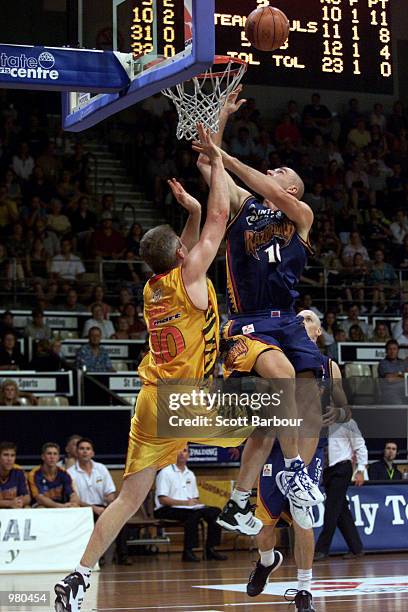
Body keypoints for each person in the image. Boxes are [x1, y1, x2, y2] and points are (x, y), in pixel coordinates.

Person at [54, 125, 251, 612]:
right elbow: (224, 215)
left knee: (127, 497)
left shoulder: (153, 288)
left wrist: (194, 211)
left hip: (149, 401)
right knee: (287, 416)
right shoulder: (188, 278)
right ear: (183, 256)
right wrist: (216, 162)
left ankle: (78, 576)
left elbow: (187, 241)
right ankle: (244, 506)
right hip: (185, 401)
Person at [195, 87, 324, 534]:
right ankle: (294, 472)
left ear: (290, 188)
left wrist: (225, 155)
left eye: (280, 171)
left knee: (281, 412)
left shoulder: (300, 213)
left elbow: (248, 174)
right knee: (284, 379)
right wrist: (221, 127)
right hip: (247, 321)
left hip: (288, 320)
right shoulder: (242, 205)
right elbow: (208, 165)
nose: (272, 171)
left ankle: (237, 502)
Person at [246, 310, 351, 611]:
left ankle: (304, 589)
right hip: (274, 445)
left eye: (308, 319)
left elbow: (344, 407)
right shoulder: (276, 358)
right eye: (298, 319)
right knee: (263, 526)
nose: (302, 322)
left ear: (318, 332)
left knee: (301, 514)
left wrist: (339, 413)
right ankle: (267, 562)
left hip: (308, 446)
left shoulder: (329, 367)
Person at [154, 447, 227, 562]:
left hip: (188, 508)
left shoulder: (190, 474)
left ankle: (210, 549)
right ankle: (188, 551)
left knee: (215, 512)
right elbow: (163, 499)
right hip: (166, 509)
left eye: (184, 451)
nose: (182, 454)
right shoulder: (165, 472)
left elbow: (194, 498)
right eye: (179, 450)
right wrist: (185, 503)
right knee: (193, 515)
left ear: (188, 454)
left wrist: (195, 503)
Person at [68, 438, 130, 565]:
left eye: (88, 449)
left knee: (119, 520)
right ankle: (96, 558)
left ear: (92, 453)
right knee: (96, 521)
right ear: (76, 452)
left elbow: (110, 492)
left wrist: (110, 502)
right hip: (83, 509)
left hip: (103, 507)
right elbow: (76, 499)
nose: (85, 452)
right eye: (82, 449)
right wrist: (94, 509)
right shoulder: (70, 473)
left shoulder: (101, 468)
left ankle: (123, 556)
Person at [314, 418, 367, 561]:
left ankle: (321, 549)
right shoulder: (318, 421)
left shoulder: (347, 422)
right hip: (327, 470)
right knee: (341, 509)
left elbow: (360, 445)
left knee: (332, 508)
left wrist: (361, 470)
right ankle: (356, 548)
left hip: (342, 467)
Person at [28, 442, 79, 508]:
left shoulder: (64, 473)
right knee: (41, 508)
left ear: (58, 457)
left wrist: (73, 502)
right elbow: (39, 498)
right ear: (43, 457)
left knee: (76, 506)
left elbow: (72, 494)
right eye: (49, 454)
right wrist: (59, 506)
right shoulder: (35, 474)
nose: (52, 457)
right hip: (42, 505)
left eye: (55, 454)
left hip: (61, 504)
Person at [0, 441, 31, 508]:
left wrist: (20, 501)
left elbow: (27, 497)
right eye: (5, 455)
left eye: (12, 455)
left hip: (14, 507)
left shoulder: (19, 472)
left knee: (27, 507)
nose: (9, 459)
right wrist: (9, 503)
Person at [378, 340, 408, 404]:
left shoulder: (402, 362)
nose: (392, 352)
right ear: (386, 351)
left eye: (394, 349)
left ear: (398, 351)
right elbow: (389, 379)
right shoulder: (383, 363)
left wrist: (396, 375)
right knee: (398, 404)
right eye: (390, 349)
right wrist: (402, 374)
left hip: (404, 392)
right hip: (390, 393)